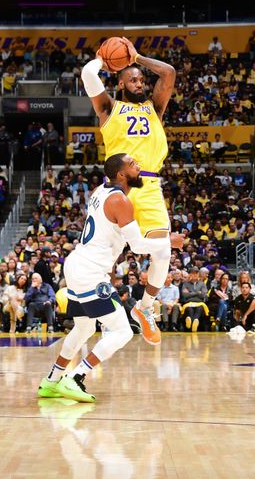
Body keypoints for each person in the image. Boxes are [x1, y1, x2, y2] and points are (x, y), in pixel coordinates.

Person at [38, 153, 183, 402]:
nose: (139, 167)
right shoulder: (120, 201)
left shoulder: (99, 191)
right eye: (133, 165)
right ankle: (76, 377)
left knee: (84, 327)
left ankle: (52, 380)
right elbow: (137, 246)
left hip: (78, 265)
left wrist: (111, 276)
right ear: (121, 174)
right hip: (89, 271)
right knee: (122, 332)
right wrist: (169, 241)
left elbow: (113, 239)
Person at [82, 37, 176, 347]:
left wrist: (138, 57)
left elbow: (169, 73)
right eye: (132, 79)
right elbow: (87, 75)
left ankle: (145, 307)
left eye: (141, 80)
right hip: (118, 187)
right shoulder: (110, 108)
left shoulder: (155, 108)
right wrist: (103, 60)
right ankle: (92, 317)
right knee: (104, 259)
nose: (140, 83)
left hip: (149, 186)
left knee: (163, 252)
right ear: (121, 85)